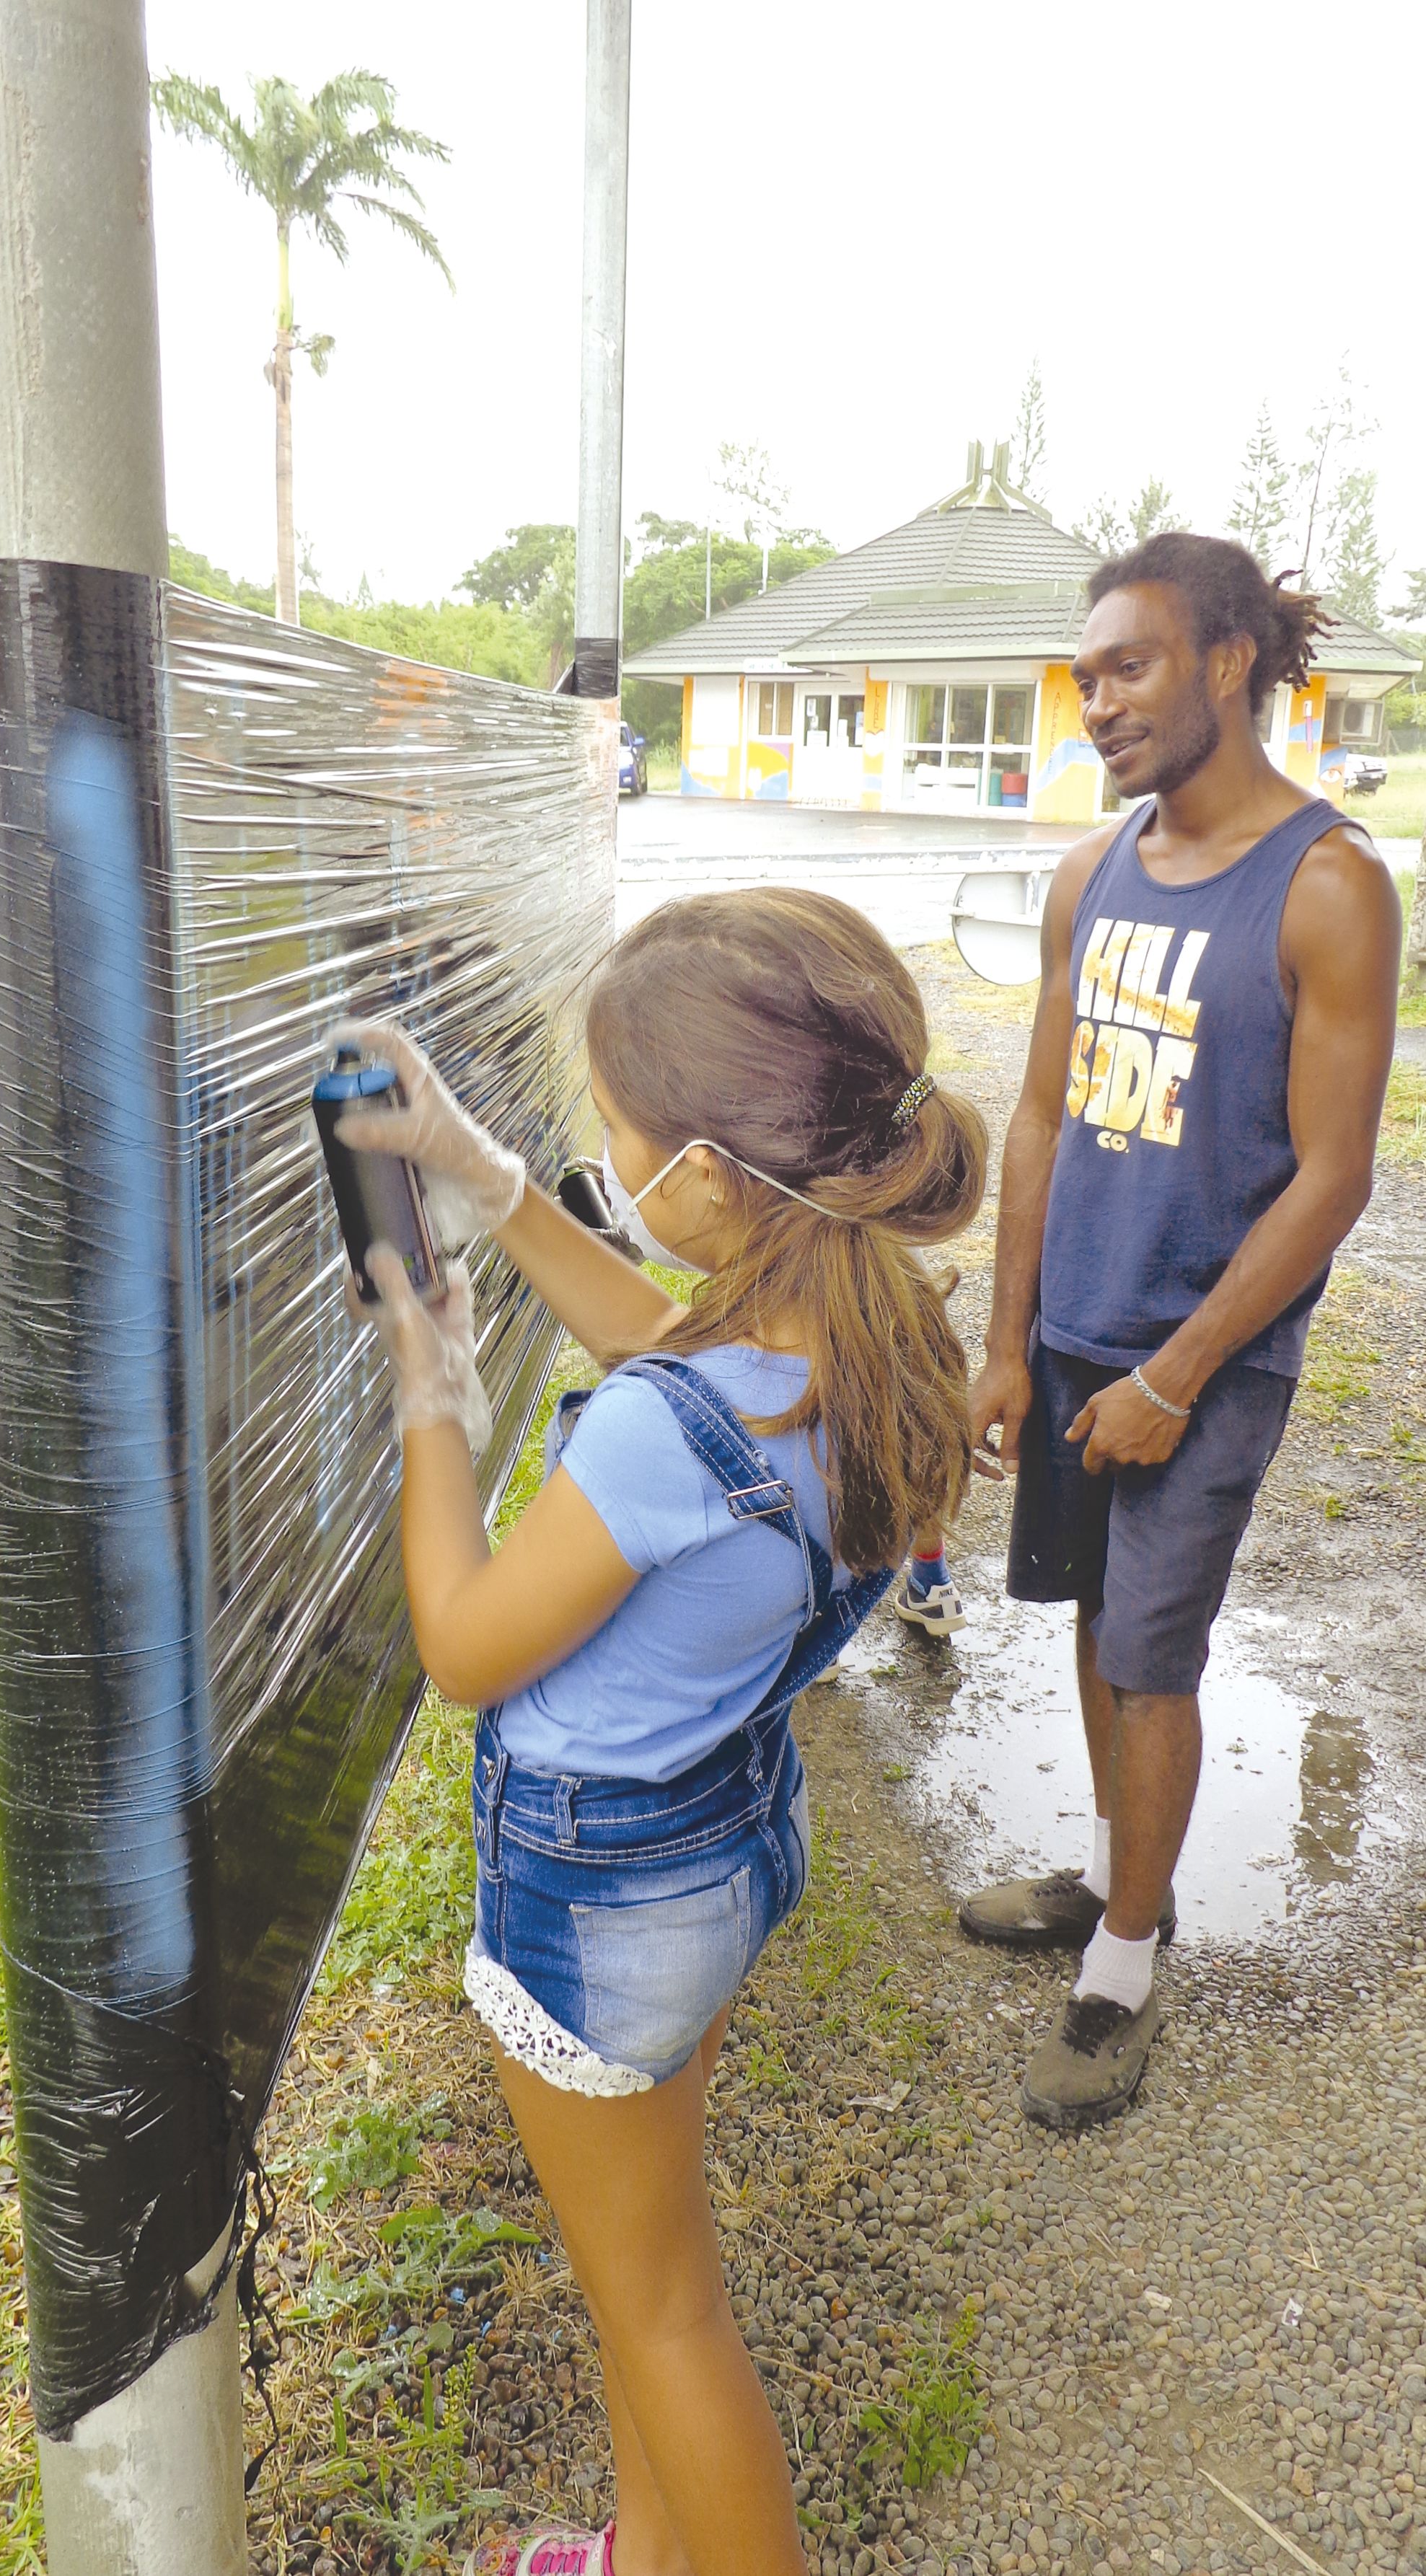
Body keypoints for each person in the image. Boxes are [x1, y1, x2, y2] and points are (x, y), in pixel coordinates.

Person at [330, 888, 985, 2576]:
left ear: (706, 1176)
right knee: (652, 2265)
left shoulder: (654, 1433)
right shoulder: (859, 1329)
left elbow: (469, 1647)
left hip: (604, 1891)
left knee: (664, 2304)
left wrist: (433, 1399)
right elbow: (662, 1329)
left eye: (614, 1140)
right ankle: (644, 2557)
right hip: (723, 1846)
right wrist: (478, 1169)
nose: (601, 1164)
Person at [965, 532, 1399, 2132]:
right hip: (1078, 1331)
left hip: (1202, 1352)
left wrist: (1173, 1373)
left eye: (1129, 667)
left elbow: (1332, 1179)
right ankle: (1107, 1872)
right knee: (1090, 1618)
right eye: (1086, 678)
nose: (1098, 705)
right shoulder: (1097, 870)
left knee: (1154, 1654)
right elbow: (1033, 1118)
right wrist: (1009, 1341)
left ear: (1227, 661)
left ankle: (1128, 1961)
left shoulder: (1332, 884)